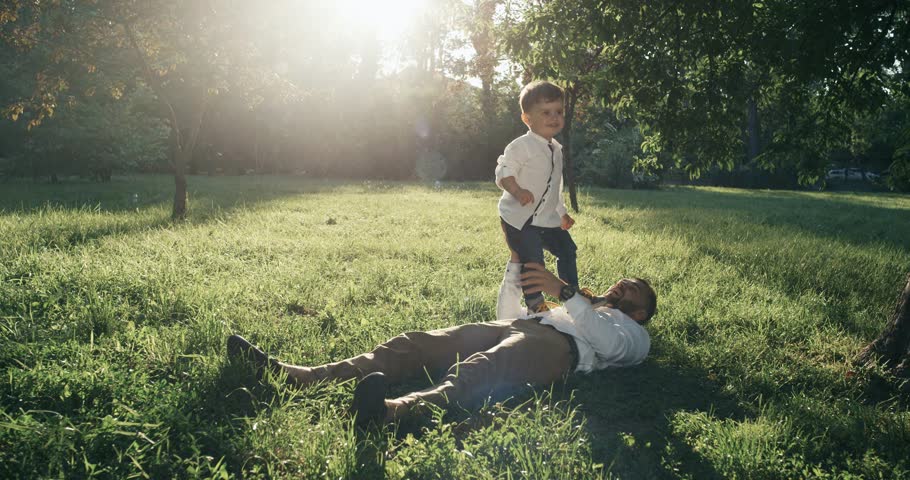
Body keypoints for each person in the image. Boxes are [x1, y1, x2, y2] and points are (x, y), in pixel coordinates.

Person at [227, 259, 657, 427]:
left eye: (632, 289)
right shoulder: (581, 306)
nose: (622, 286)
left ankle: (392, 412)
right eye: (622, 281)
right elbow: (513, 315)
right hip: (522, 326)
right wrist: (515, 274)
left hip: (557, 350)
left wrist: (565, 291)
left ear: (640, 313)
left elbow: (609, 345)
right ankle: (301, 375)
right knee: (416, 344)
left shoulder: (634, 335)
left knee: (480, 370)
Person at [495, 80, 578, 314]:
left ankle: (573, 293)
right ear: (527, 118)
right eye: (546, 112)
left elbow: (554, 188)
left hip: (546, 218)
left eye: (558, 111)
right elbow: (504, 170)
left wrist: (561, 213)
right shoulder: (521, 146)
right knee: (533, 259)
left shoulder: (556, 149)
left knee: (567, 249)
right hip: (519, 219)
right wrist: (517, 191)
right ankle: (534, 303)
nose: (554, 117)